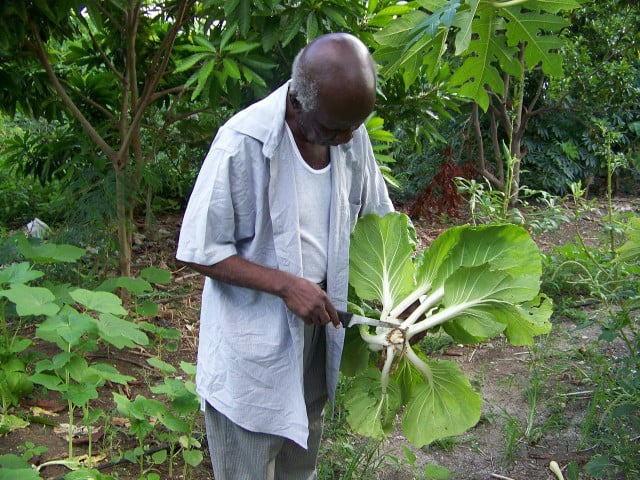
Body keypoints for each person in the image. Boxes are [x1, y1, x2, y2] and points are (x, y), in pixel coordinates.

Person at [176, 32, 394, 479]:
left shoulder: (349, 136)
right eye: (336, 128)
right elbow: (198, 250)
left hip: (317, 331)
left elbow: (380, 223)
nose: (348, 137)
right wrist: (284, 284)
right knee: (249, 466)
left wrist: (396, 304)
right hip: (250, 344)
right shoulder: (242, 142)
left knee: (300, 463)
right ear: (298, 103)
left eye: (355, 125)